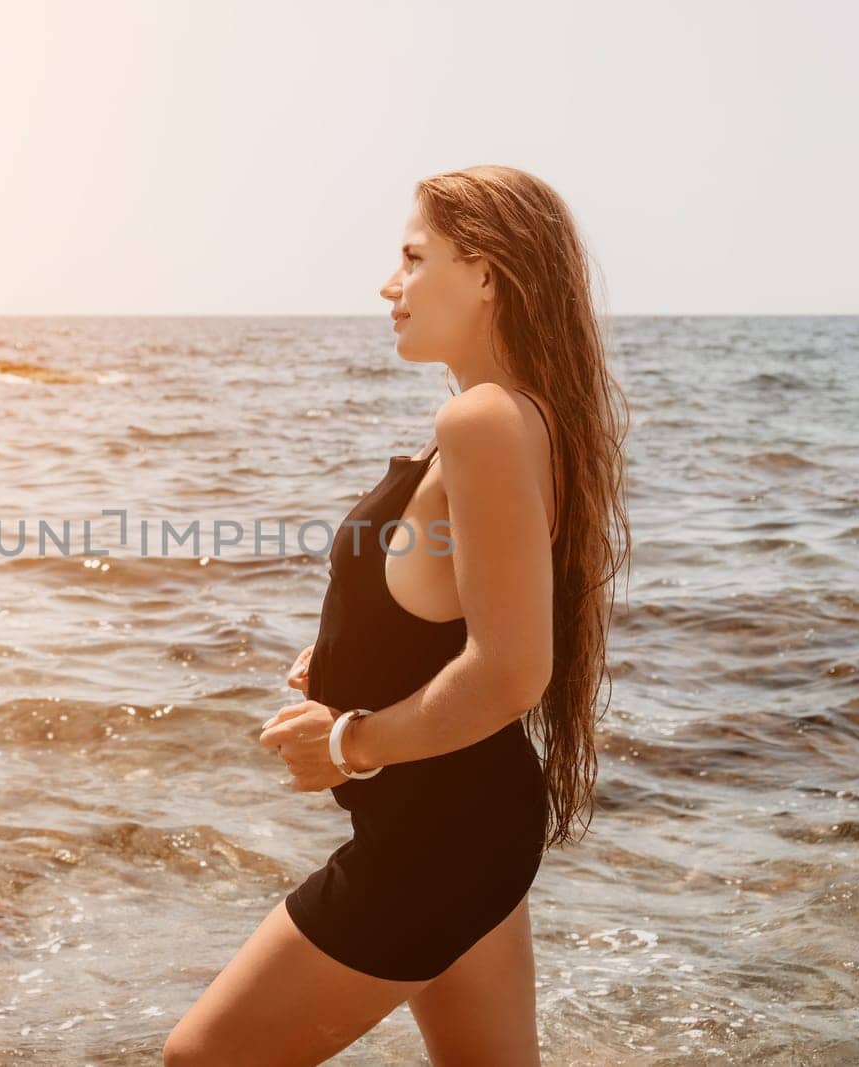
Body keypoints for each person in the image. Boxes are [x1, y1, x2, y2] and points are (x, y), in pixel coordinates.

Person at [163, 164, 632, 1067]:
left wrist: (348, 741)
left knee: (202, 1060)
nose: (391, 285)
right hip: (465, 823)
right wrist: (348, 656)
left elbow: (509, 672)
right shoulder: (522, 416)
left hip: (440, 834)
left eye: (414, 258)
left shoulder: (482, 422)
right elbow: (455, 606)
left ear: (487, 272)